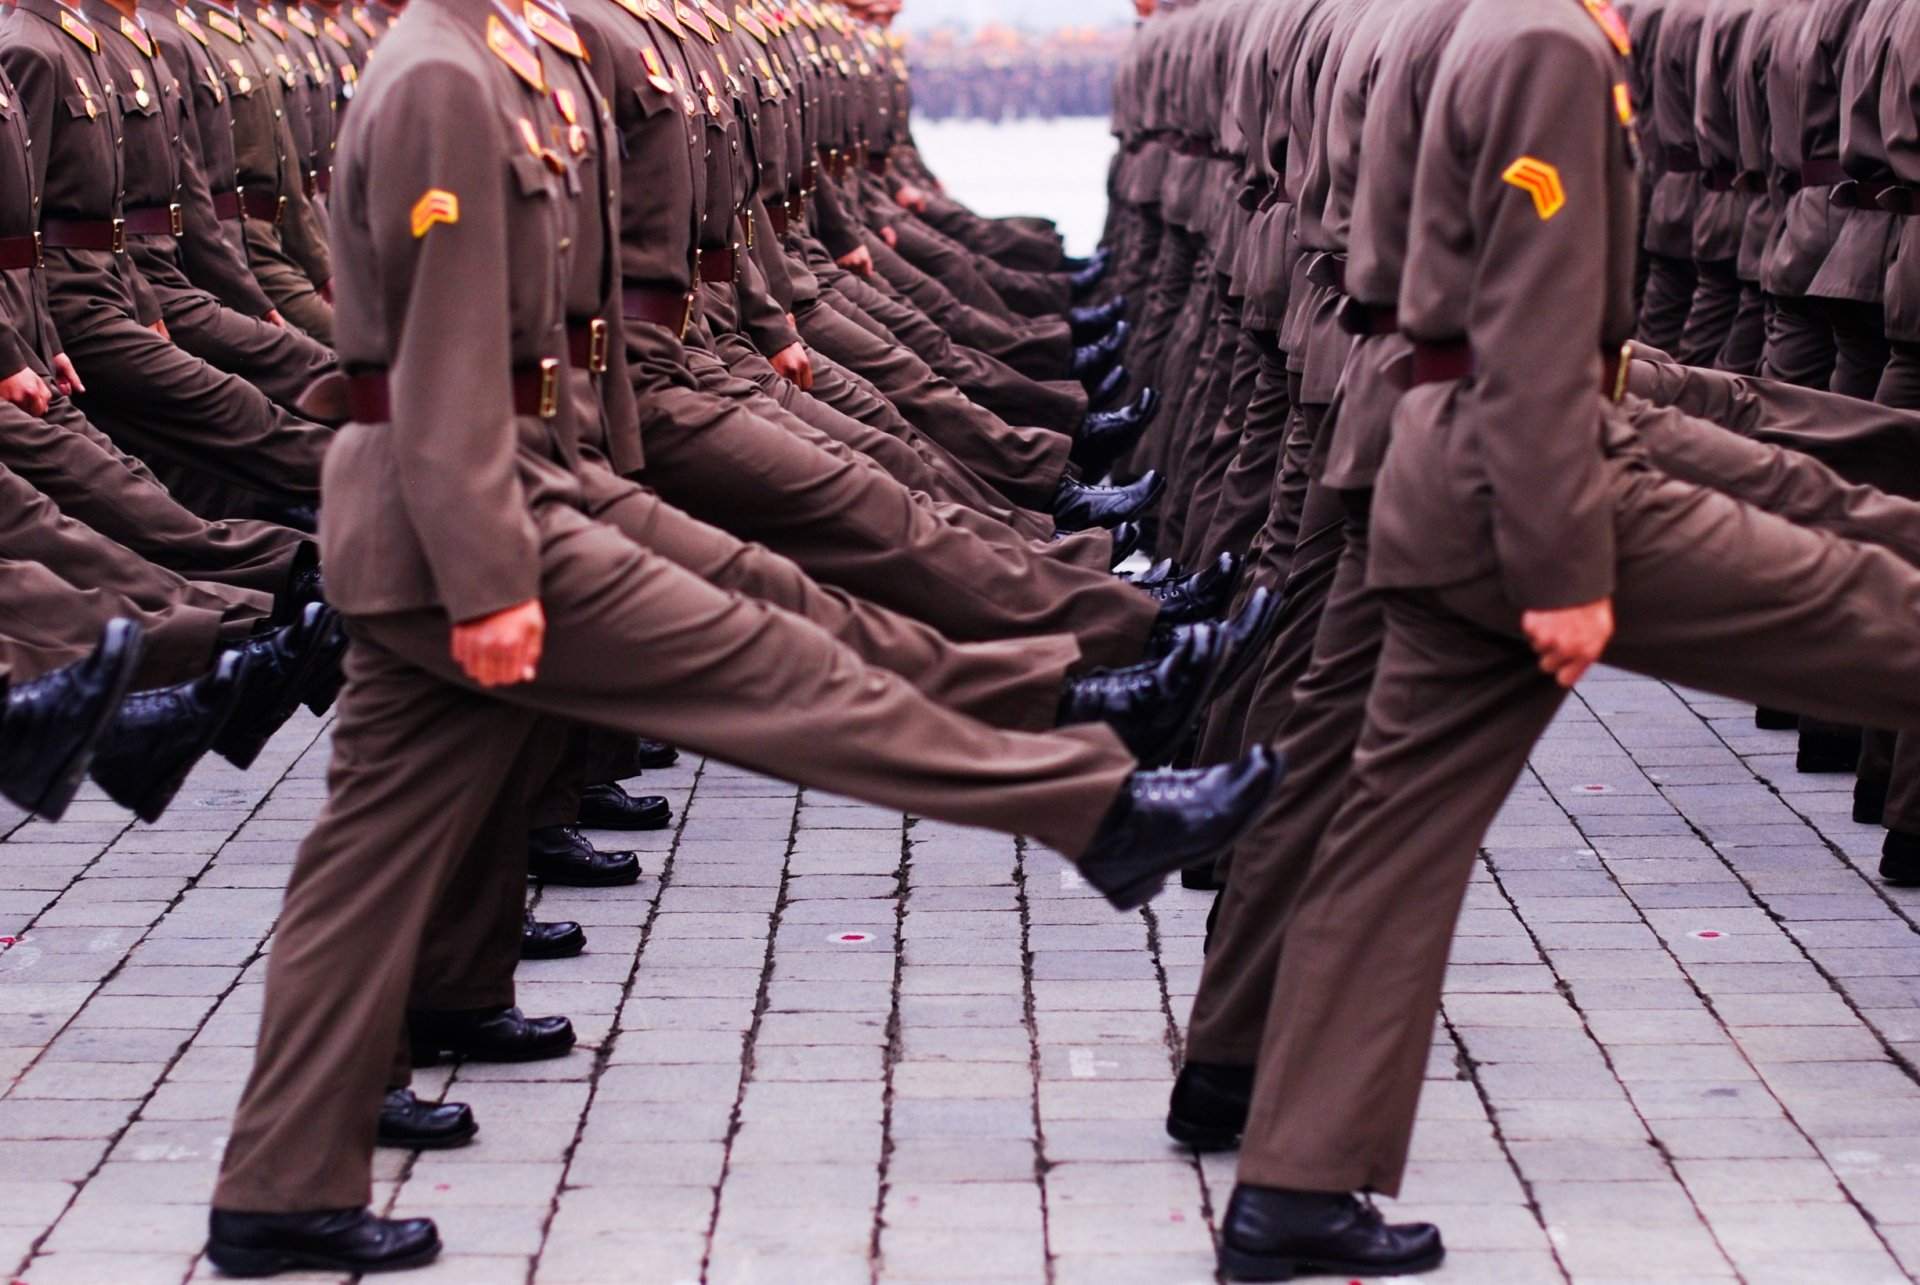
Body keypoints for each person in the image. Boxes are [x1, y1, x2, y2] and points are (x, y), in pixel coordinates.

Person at [203, 2, 1282, 1272]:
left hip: (518, 479)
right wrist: (491, 580)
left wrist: (580, 473)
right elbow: (440, 366)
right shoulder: (443, 77)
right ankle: (1099, 807)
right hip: (469, 516)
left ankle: (278, 1187)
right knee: (773, 669)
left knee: (370, 864)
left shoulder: (509, 59)